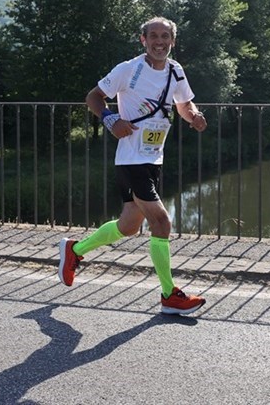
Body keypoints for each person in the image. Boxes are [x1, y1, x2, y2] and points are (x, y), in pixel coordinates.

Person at [58, 16, 208, 315]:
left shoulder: (176, 71)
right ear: (143, 40)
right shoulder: (128, 69)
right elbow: (94, 97)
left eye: (165, 37)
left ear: (172, 42)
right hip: (131, 160)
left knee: (128, 227)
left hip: (154, 158)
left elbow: (184, 104)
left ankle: (74, 251)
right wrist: (111, 119)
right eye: (153, 36)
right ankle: (169, 295)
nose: (159, 42)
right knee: (162, 223)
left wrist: (195, 116)